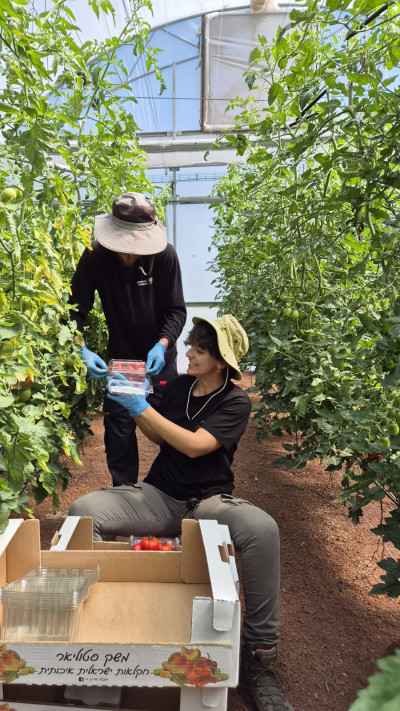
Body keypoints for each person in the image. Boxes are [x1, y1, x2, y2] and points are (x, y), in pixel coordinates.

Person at [69, 314, 293, 711]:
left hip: (206, 503)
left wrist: (141, 403)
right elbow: (158, 434)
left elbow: (193, 445)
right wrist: (131, 399)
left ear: (221, 361)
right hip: (159, 494)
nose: (187, 352)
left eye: (199, 349)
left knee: (262, 529)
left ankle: (261, 656)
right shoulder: (180, 387)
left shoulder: (235, 400)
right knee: (84, 511)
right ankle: (94, 626)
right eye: (190, 345)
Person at [69, 191, 187, 487]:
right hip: (121, 361)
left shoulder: (165, 256)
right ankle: (125, 495)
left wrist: (163, 345)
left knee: (171, 428)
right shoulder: (95, 256)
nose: (131, 251)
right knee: (119, 428)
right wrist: (80, 348)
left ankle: (175, 492)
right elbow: (73, 309)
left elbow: (176, 310)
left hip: (160, 361)